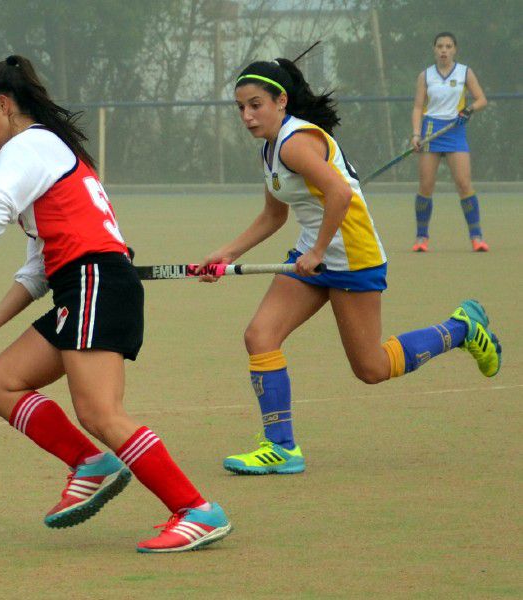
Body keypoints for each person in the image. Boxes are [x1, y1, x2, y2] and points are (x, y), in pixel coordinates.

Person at [0, 55, 231, 553]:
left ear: (4, 105)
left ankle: (195, 510)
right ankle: (89, 463)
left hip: (96, 283)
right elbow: (39, 271)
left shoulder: (29, 145)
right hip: (79, 287)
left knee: (101, 412)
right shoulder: (51, 155)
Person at [198, 55, 501, 475]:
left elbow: (339, 194)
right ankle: (281, 448)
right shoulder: (270, 149)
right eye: (241, 108)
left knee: (371, 368)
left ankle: (461, 328)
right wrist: (228, 253)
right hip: (312, 254)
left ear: (280, 100)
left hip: (352, 255)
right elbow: (274, 215)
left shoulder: (295, 143)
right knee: (260, 335)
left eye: (255, 105)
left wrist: (319, 251)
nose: (247, 116)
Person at [411, 32, 488, 252]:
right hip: (432, 130)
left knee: (464, 185)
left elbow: (481, 99)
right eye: (440, 46)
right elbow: (418, 107)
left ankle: (477, 237)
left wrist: (469, 109)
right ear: (434, 49)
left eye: (448, 46)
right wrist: (416, 134)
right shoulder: (425, 76)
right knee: (426, 186)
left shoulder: (465, 72)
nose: (444, 50)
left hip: (455, 130)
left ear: (455, 49)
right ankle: (421, 238)